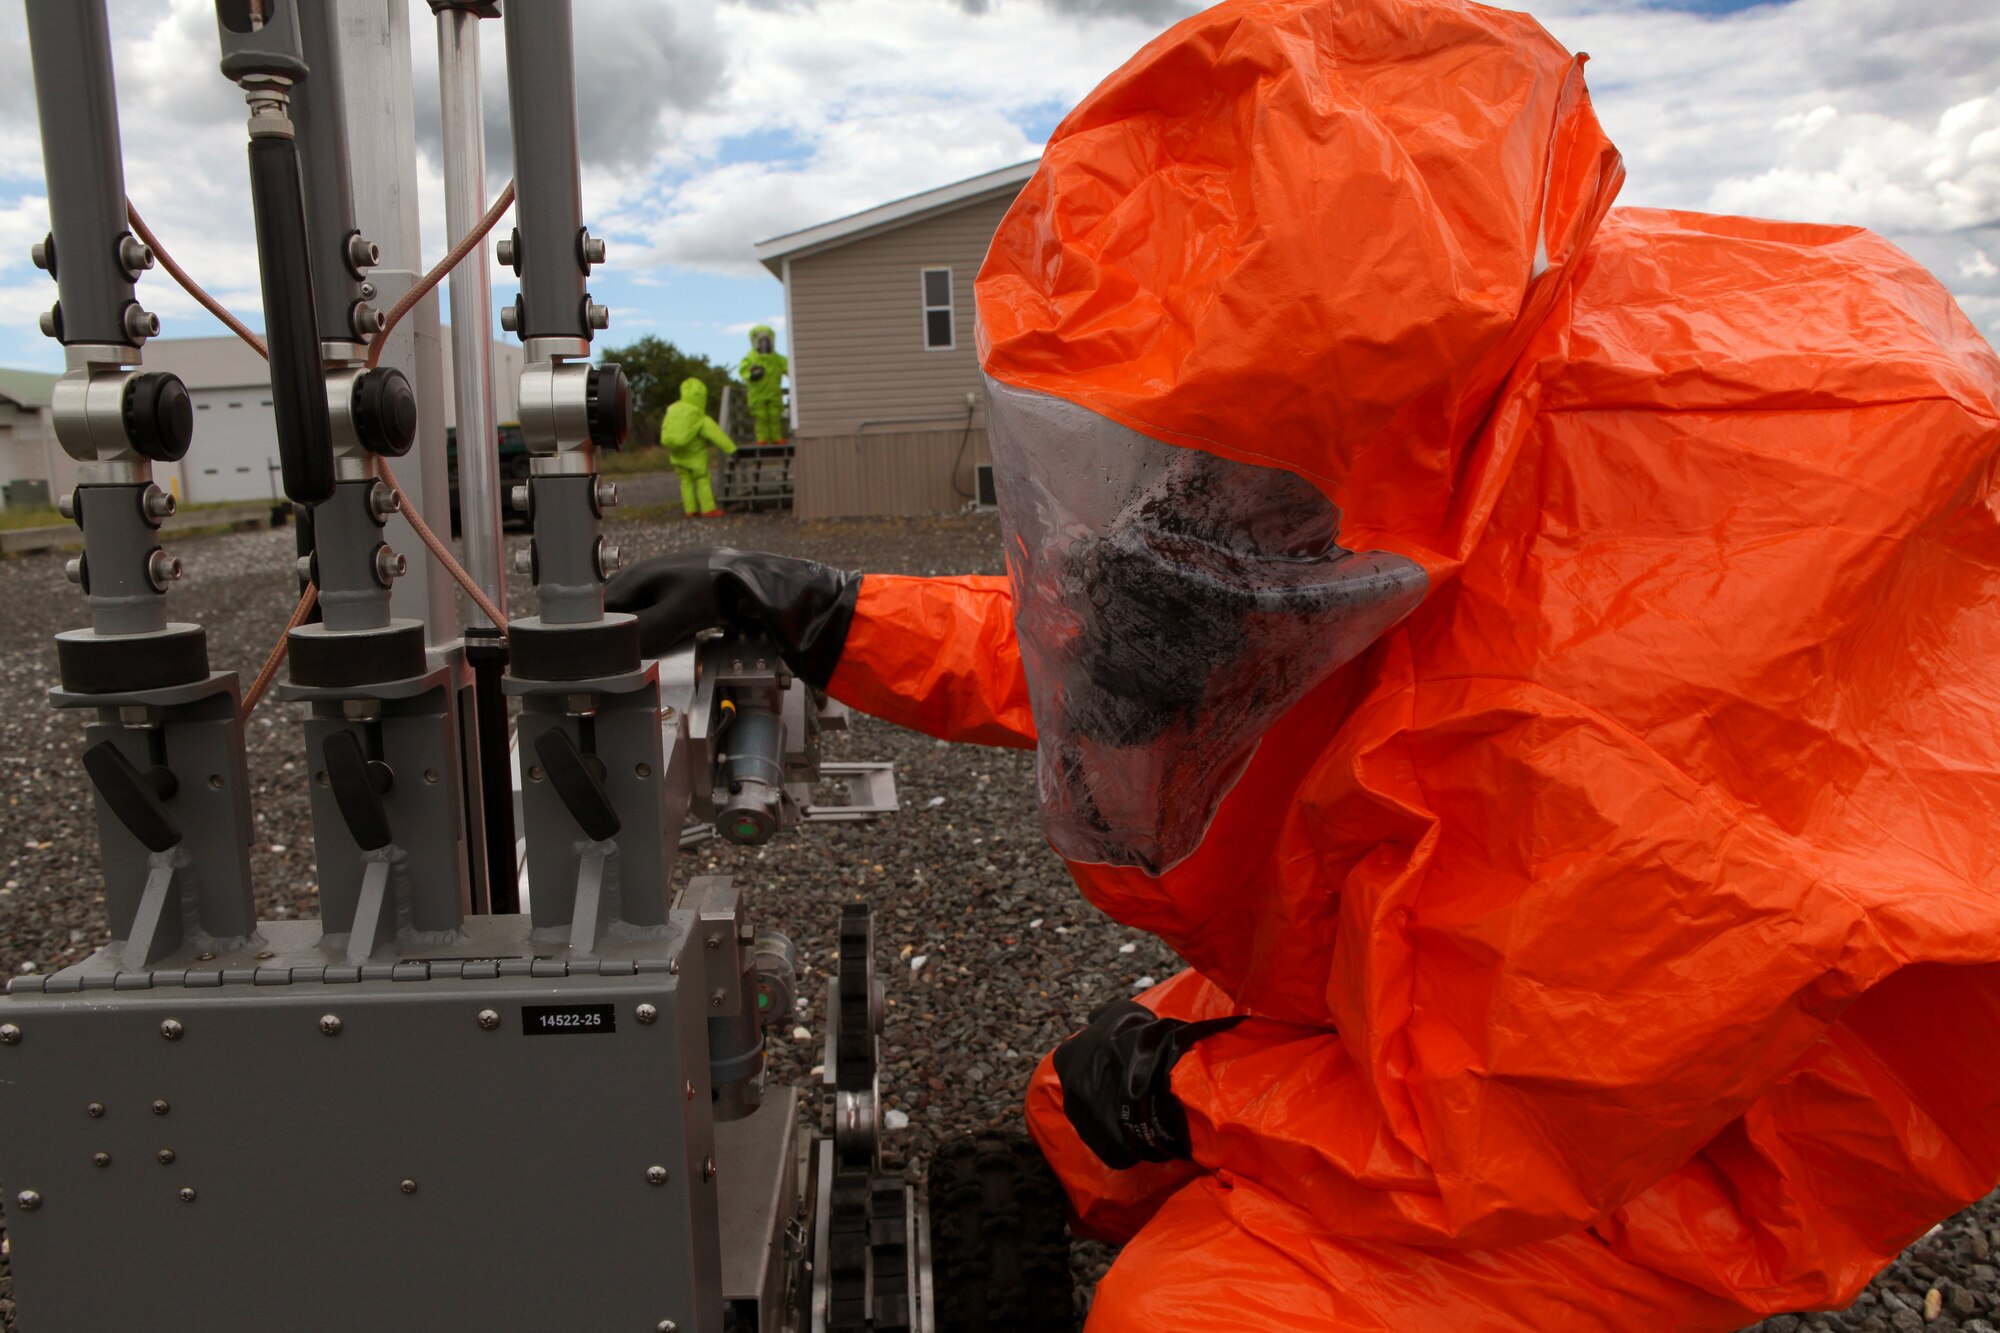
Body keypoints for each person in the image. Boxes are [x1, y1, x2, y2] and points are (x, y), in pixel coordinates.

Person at [609, 0, 2000, 1326]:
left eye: (1194, 462)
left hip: (1687, 1139)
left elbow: (1482, 1133)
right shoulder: (1372, 483)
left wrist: (1184, 1091)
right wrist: (822, 610)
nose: (1161, 503)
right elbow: (1143, 668)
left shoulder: (1593, 720)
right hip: (1469, 985)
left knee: (1190, 1304)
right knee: (1078, 1116)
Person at [659, 375, 735, 519]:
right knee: (702, 480)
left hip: (676, 454)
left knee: (685, 482)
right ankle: (708, 509)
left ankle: (690, 510)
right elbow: (716, 433)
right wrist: (732, 449)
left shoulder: (672, 409)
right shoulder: (697, 414)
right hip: (695, 456)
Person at [738, 324, 788, 446]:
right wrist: (752, 375)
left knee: (774, 416)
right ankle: (762, 439)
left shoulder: (777, 358)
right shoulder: (750, 358)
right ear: (755, 342)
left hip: (774, 394)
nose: (764, 344)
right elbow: (743, 371)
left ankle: (776, 437)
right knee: (761, 418)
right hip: (757, 394)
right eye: (761, 341)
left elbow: (789, 368)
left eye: (766, 341)